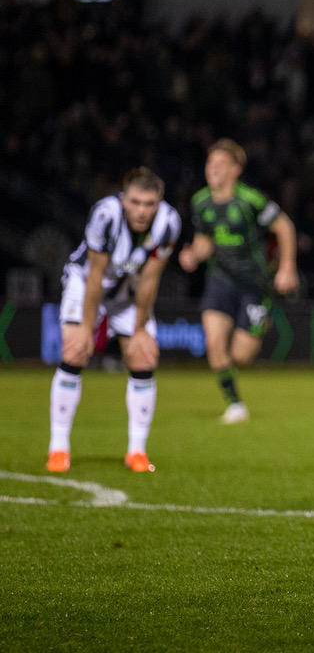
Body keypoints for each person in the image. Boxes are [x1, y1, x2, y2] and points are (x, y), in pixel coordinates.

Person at [47, 167, 181, 473]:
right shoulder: (105, 215)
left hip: (128, 291)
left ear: (159, 204)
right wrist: (85, 328)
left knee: (143, 354)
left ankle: (137, 451)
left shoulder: (169, 223)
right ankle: (58, 448)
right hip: (86, 284)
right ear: (123, 199)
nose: (142, 211)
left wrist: (139, 330)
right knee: (75, 350)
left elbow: (150, 278)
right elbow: (96, 275)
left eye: (149, 204)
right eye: (135, 202)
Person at [178, 139, 298, 424]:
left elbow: (284, 226)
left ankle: (261, 319)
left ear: (235, 170)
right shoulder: (200, 202)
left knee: (241, 355)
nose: (213, 169)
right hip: (219, 281)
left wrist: (287, 268)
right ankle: (235, 405)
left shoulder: (250, 199)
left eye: (220, 164)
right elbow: (203, 242)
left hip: (253, 284)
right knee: (214, 342)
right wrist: (192, 256)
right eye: (210, 163)